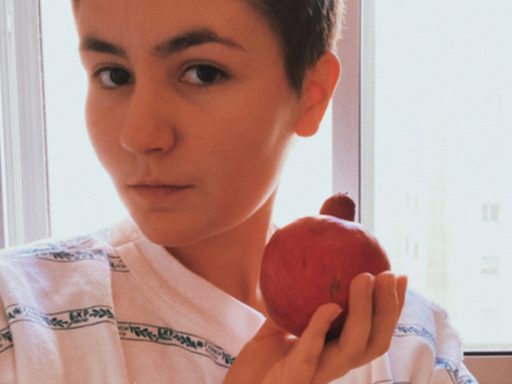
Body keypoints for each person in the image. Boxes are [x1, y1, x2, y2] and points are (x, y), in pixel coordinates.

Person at [0, 0, 478, 383]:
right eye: (114, 75)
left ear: (311, 94)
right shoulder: (18, 324)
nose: (140, 134)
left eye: (202, 72)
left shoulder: (409, 346)